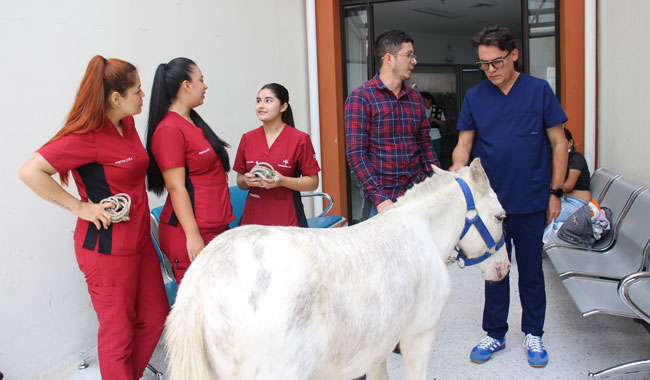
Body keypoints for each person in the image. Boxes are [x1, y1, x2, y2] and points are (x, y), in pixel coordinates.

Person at [18, 55, 168, 380]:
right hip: (106, 251)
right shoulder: (85, 138)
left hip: (139, 242)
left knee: (155, 317)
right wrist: (80, 207)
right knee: (118, 335)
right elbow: (30, 172)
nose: (144, 96)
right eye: (138, 91)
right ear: (116, 98)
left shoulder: (125, 123)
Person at [450, 26, 568, 368]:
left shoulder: (539, 91)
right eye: (484, 63)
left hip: (531, 198)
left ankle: (534, 333)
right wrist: (457, 172)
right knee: (495, 270)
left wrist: (555, 191)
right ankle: (496, 333)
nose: (490, 69)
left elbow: (559, 143)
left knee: (531, 271)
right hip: (490, 205)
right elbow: (464, 144)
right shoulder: (475, 97)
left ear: (514, 54)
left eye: (497, 61)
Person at [146, 58, 234, 284]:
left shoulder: (192, 121)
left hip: (214, 225)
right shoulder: (169, 129)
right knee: (202, 309)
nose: (205, 86)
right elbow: (176, 187)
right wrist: (192, 236)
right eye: (201, 80)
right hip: (190, 232)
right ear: (186, 85)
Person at [345, 29, 438, 221]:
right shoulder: (361, 97)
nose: (414, 61)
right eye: (408, 55)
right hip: (381, 200)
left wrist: (438, 181)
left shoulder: (415, 98)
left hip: (416, 194)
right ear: (389, 58)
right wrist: (380, 198)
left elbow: (424, 144)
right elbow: (356, 154)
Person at [233, 83, 320, 227]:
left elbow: (312, 182)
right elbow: (240, 181)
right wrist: (246, 181)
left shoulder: (299, 139)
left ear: (283, 107)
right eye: (258, 101)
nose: (261, 106)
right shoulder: (247, 138)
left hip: (287, 217)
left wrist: (282, 181)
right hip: (254, 217)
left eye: (268, 101)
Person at [555, 128, 592, 226]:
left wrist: (547, 188)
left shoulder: (576, 158)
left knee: (543, 216)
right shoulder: (557, 159)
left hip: (576, 203)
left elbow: (568, 186)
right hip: (561, 199)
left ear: (570, 143)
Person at [420, 91, 446, 159]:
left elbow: (444, 123)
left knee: (436, 156)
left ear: (429, 100)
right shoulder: (421, 110)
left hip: (435, 136)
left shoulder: (437, 110)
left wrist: (434, 120)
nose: (422, 102)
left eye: (424, 100)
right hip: (424, 136)